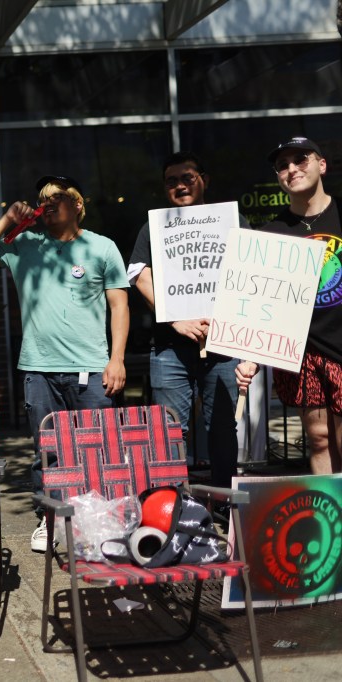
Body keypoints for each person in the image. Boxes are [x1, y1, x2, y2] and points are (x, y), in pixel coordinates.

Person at [0, 175, 129, 552]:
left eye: (57, 196)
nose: (48, 202)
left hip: (92, 367)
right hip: (39, 368)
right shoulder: (25, 244)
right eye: (43, 197)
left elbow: (120, 305)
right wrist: (8, 220)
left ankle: (101, 523)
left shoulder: (102, 247)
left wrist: (117, 359)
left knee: (97, 448)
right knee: (48, 449)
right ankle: (50, 520)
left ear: (78, 204)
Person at [126, 152, 241, 488]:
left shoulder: (230, 220)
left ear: (203, 179)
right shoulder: (154, 228)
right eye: (171, 181)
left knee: (222, 427)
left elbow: (251, 273)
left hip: (221, 343)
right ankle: (172, 506)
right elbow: (138, 274)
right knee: (169, 430)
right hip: (169, 348)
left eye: (187, 177)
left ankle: (224, 501)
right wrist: (176, 318)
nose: (179, 185)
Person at [238, 137, 342, 475]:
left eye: (301, 159)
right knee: (320, 440)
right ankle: (333, 521)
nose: (292, 169)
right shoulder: (271, 233)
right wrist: (250, 357)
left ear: (321, 164)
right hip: (302, 353)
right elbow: (262, 303)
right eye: (283, 165)